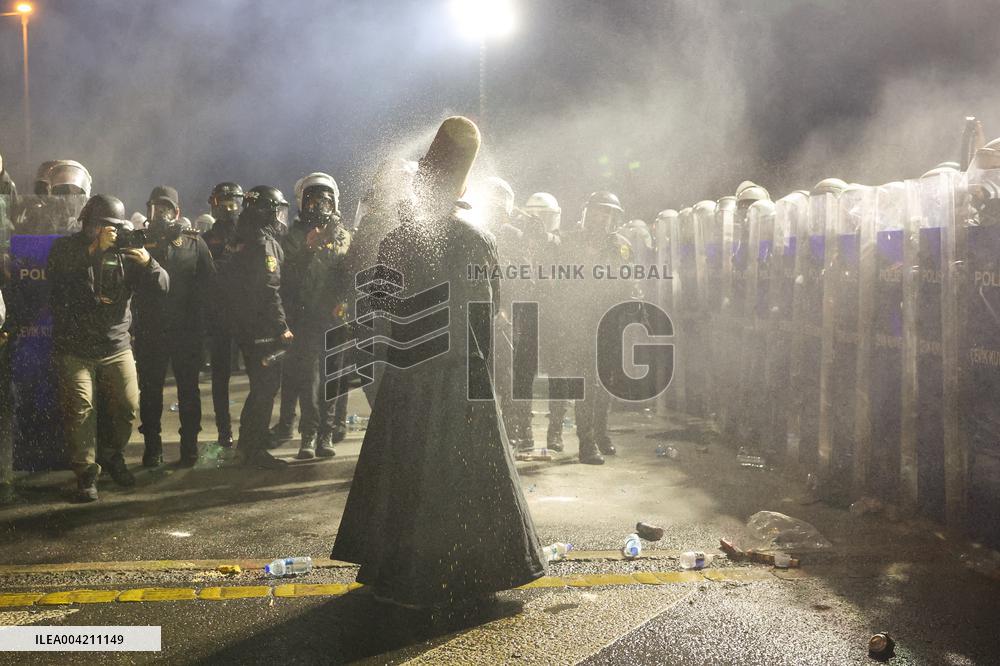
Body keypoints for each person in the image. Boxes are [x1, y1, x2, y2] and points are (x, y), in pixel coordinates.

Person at [332, 116, 546, 609]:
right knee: (462, 480)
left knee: (408, 476)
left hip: (407, 377)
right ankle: (467, 573)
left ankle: (399, 572)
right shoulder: (476, 240)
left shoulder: (396, 240)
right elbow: (486, 317)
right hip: (459, 377)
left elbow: (378, 315)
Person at [47, 194, 169, 501]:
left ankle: (113, 456)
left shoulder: (126, 252)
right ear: (88, 224)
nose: (107, 232)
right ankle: (86, 475)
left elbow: (163, 285)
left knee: (128, 406)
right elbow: (57, 279)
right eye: (102, 226)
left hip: (116, 344)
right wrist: (92, 252)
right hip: (75, 346)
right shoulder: (67, 248)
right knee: (81, 408)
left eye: (113, 227)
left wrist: (149, 262)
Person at [132, 186, 214, 467]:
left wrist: (204, 331)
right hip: (151, 330)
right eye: (156, 208)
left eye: (167, 208)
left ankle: (189, 447)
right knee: (151, 391)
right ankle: (152, 447)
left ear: (177, 212)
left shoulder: (194, 243)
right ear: (148, 210)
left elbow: (208, 287)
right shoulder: (140, 242)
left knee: (189, 391)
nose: (161, 214)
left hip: (186, 331)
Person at [271, 172, 351, 458]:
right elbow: (287, 277)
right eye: (313, 201)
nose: (319, 208)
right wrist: (308, 248)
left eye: (325, 202)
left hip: (334, 318)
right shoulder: (292, 236)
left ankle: (325, 435)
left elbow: (350, 275)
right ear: (302, 203)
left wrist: (345, 302)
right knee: (309, 379)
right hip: (304, 318)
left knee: (332, 378)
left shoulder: (343, 236)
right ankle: (308, 434)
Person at [558, 190, 634, 464]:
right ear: (589, 214)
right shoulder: (571, 242)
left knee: (607, 381)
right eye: (599, 212)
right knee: (587, 383)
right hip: (581, 321)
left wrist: (634, 302)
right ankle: (586, 443)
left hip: (611, 321)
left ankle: (601, 433)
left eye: (609, 213)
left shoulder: (621, 245)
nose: (604, 218)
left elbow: (630, 279)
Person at [229, 185, 293, 469]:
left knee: (259, 388)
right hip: (263, 330)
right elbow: (269, 289)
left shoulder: (241, 236)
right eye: (276, 210)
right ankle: (253, 450)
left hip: (246, 326)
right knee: (265, 389)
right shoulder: (262, 243)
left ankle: (247, 445)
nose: (279, 216)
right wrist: (282, 327)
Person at [201, 182, 243, 448]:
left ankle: (253, 428)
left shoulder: (250, 234)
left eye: (232, 202)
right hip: (219, 316)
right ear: (214, 204)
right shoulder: (206, 239)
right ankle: (224, 428)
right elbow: (205, 276)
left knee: (261, 375)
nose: (228, 207)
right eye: (223, 202)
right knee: (220, 376)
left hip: (247, 314)